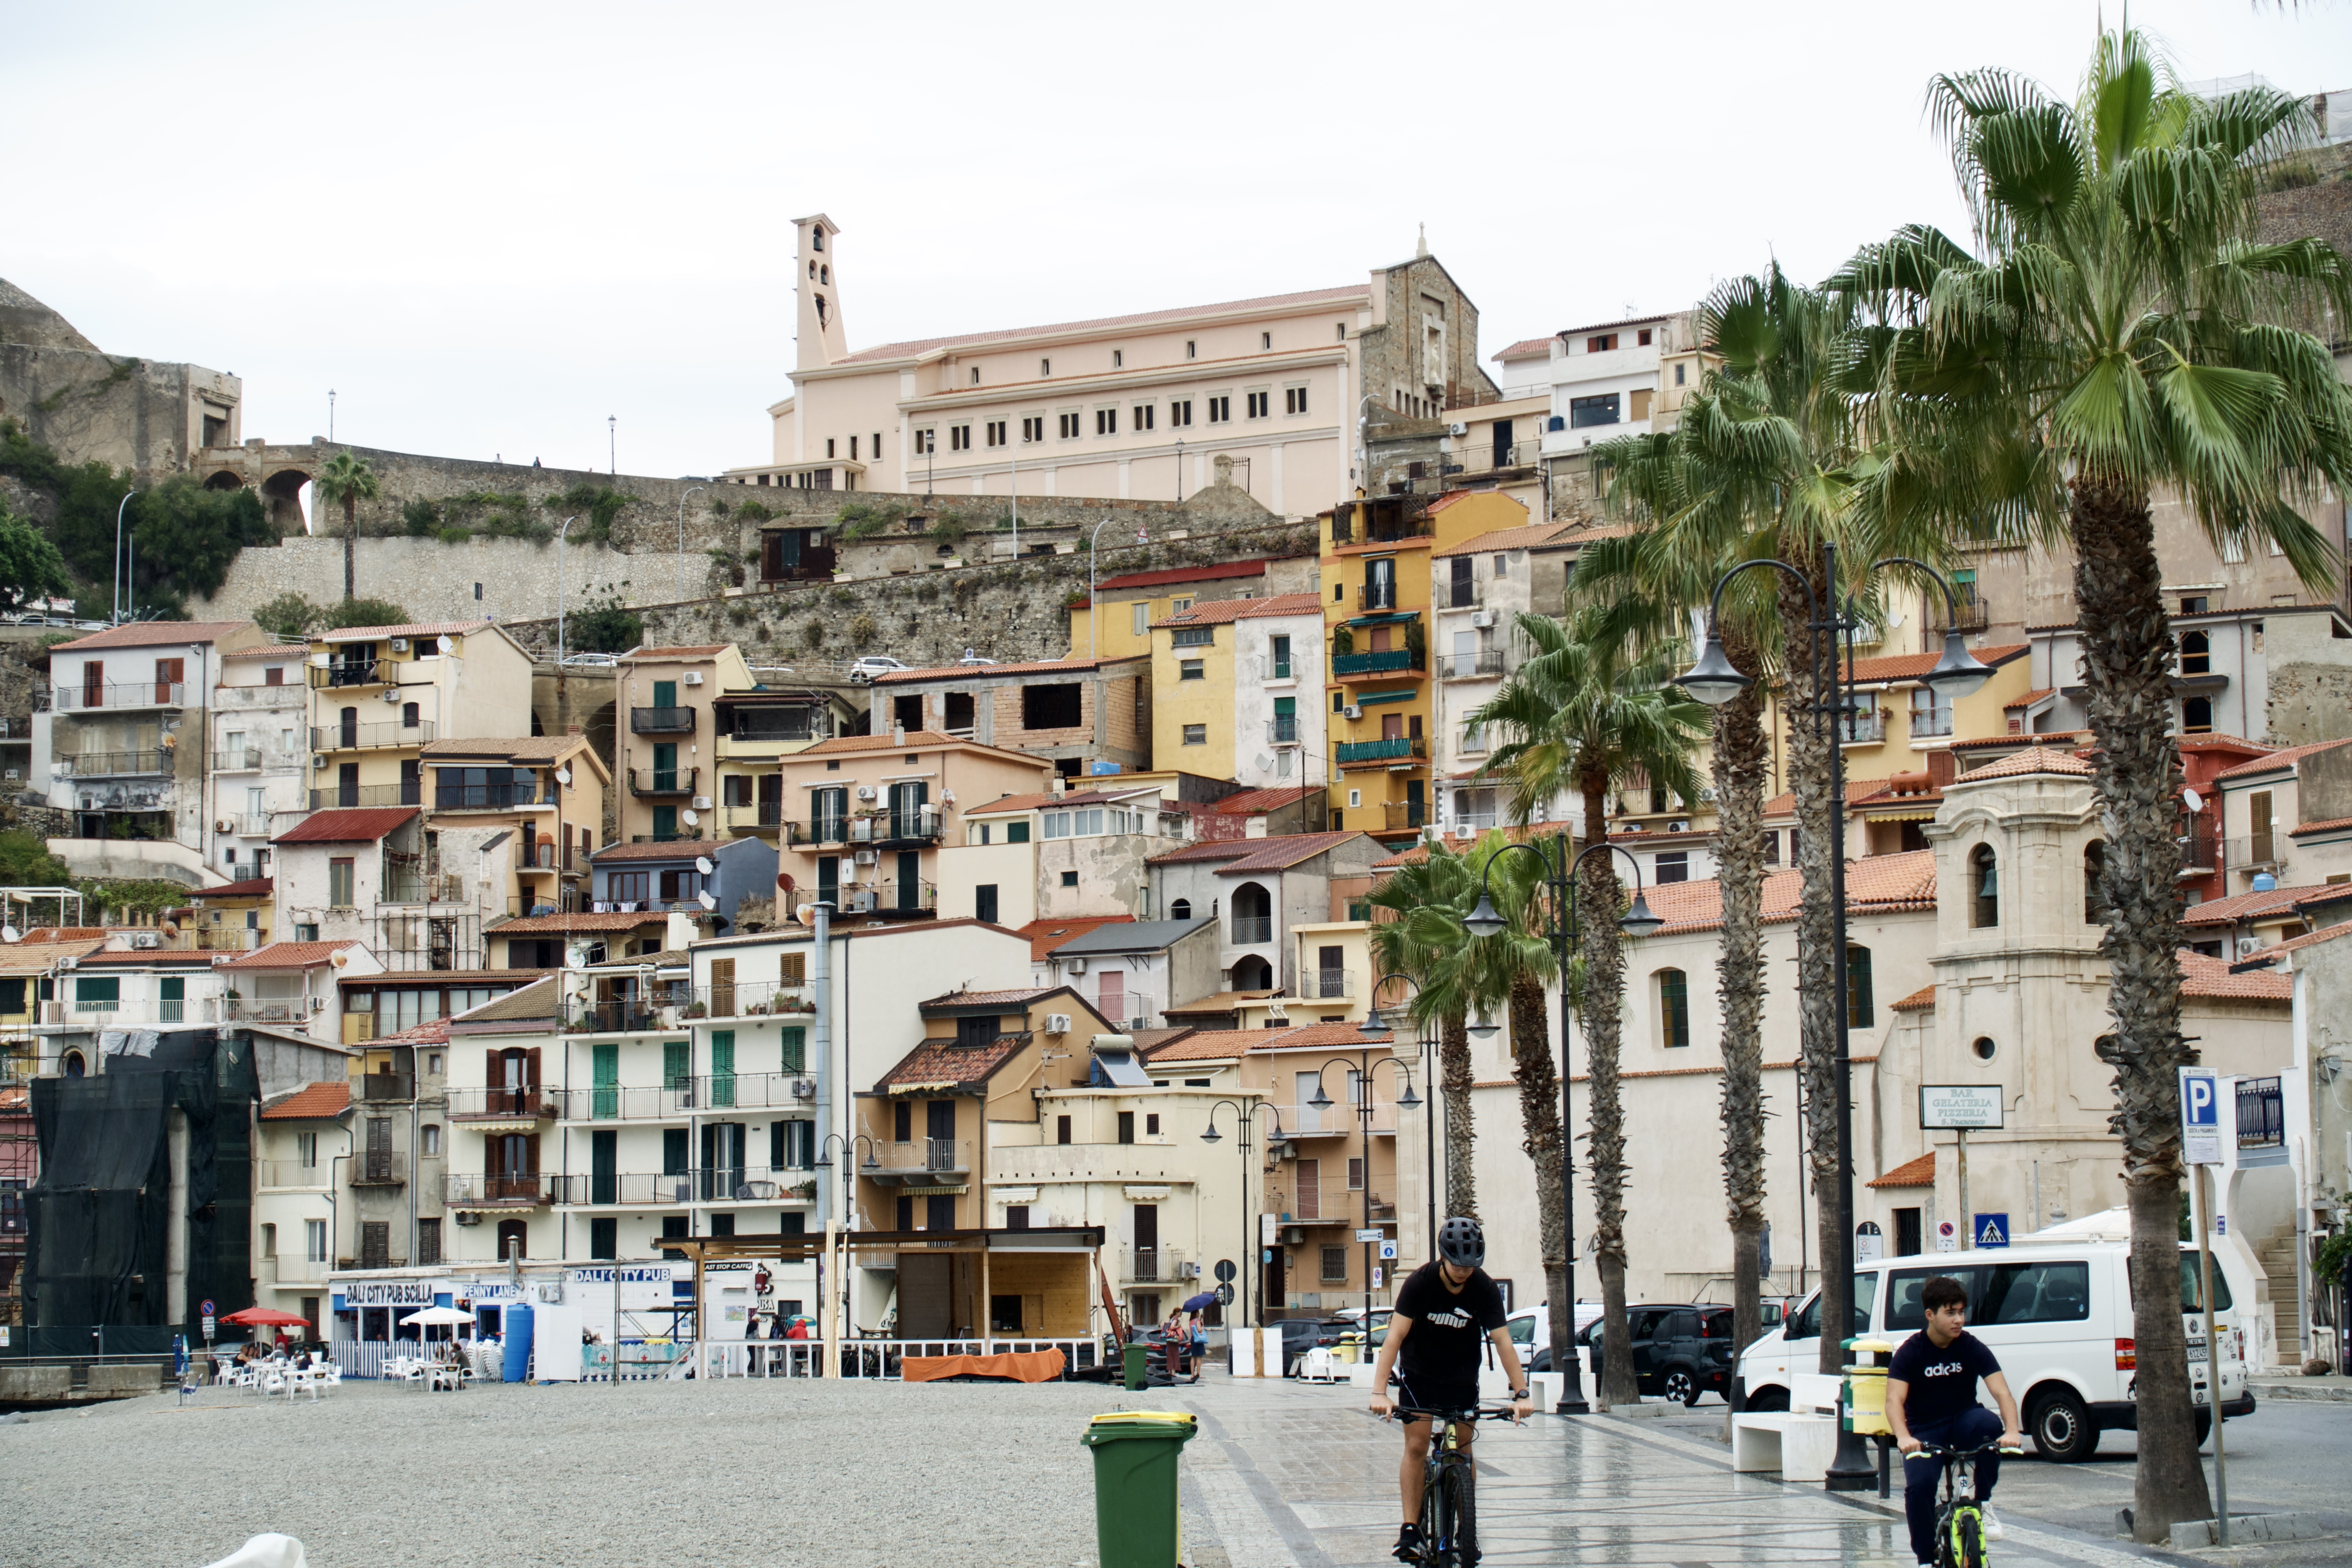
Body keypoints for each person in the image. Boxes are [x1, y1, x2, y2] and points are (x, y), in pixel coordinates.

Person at [1367, 1216, 1532, 1563]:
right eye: (1457, 1264)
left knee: (1463, 1450)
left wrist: (1521, 1394)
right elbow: (1394, 1338)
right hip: (1420, 1377)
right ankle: (1411, 1529)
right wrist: (1379, 1392)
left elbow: (1503, 1342)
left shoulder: (1484, 1288)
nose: (1463, 1271)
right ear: (1443, 1256)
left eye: (1470, 1265)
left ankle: (1464, 1530)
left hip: (1461, 1379)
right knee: (1417, 1445)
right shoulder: (1419, 1283)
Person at [1887, 1275, 2022, 1568]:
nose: (1959, 1320)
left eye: (1961, 1312)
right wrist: (1903, 1437)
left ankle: (1983, 1503)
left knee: (1990, 1426)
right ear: (1930, 1315)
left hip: (1964, 1420)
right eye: (1950, 1313)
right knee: (1920, 1488)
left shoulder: (1970, 1346)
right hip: (1925, 1430)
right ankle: (1925, 1560)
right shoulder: (1911, 1352)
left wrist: (2012, 1430)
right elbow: (1893, 1400)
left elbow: (2002, 1392)